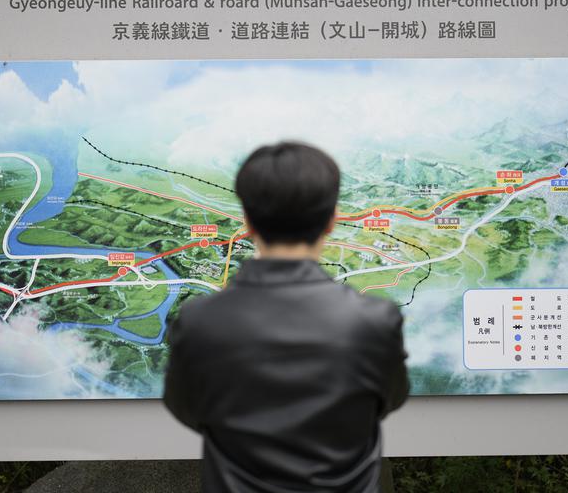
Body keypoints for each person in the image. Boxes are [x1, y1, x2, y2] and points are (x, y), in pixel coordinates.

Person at [164, 142, 409, 492]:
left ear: (247, 222)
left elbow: (187, 409)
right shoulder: (374, 322)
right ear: (331, 220)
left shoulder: (199, 322)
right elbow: (389, 400)